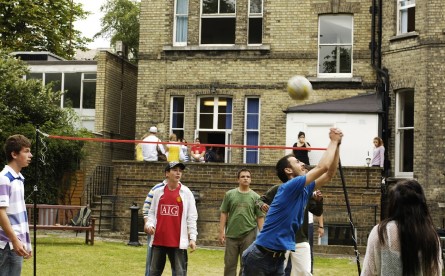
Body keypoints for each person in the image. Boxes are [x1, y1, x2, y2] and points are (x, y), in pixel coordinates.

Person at [242, 128, 342, 276]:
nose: (302, 164)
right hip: (260, 257)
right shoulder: (289, 186)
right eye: (297, 161)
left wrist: (337, 146)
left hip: (277, 258)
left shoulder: (305, 189)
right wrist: (333, 141)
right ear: (288, 171)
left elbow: (329, 174)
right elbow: (322, 167)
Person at [361, 179, 442, 276]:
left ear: (393, 204)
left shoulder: (380, 233)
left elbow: (368, 273)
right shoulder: (430, 237)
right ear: (421, 205)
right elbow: (436, 273)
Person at [257, 184, 324, 276]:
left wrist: (319, 201)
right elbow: (259, 200)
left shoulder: (306, 191)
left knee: (304, 272)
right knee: (276, 271)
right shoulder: (279, 188)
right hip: (280, 239)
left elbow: (317, 212)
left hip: (301, 238)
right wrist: (262, 205)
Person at [146, 162, 198, 276]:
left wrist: (193, 238)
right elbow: (152, 213)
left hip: (177, 242)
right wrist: (150, 225)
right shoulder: (158, 192)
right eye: (174, 170)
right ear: (167, 173)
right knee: (154, 273)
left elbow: (192, 217)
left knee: (180, 273)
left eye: (180, 170)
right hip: (159, 240)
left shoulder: (186, 193)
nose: (178, 173)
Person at [219, 168, 265, 276]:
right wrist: (221, 232)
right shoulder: (229, 194)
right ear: (238, 180)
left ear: (251, 180)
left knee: (247, 264)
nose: (245, 178)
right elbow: (224, 213)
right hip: (231, 234)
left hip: (249, 234)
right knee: (229, 264)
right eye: (243, 176)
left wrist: (263, 235)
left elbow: (260, 217)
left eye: (248, 177)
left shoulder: (256, 197)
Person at [0, 135, 33, 276]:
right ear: (14, 154)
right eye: (26, 151)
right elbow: (0, 213)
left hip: (16, 243)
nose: (30, 155)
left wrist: (26, 242)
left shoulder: (19, 179)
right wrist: (14, 240)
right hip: (6, 244)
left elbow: (20, 215)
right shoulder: (4, 178)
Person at [143, 182, 175, 276]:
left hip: (174, 235)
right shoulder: (157, 188)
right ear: (167, 173)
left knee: (177, 266)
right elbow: (146, 209)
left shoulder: (183, 190)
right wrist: (148, 225)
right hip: (156, 233)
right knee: (152, 263)